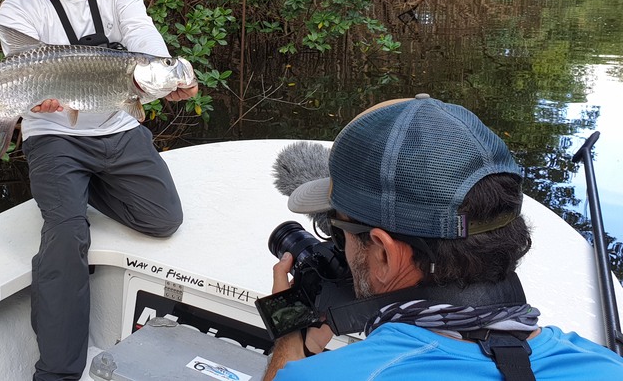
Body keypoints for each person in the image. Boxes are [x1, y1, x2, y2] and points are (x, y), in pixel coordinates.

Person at [263, 94, 623, 381]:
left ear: (386, 255)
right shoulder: (608, 367)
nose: (337, 247)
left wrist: (290, 338)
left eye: (340, 235)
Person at [0, 0, 197, 380]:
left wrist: (170, 75)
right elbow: (24, 80)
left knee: (164, 218)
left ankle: (88, 187)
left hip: (116, 123)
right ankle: (58, 372)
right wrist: (29, 102)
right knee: (66, 236)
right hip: (52, 134)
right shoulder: (16, 9)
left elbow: (142, 35)